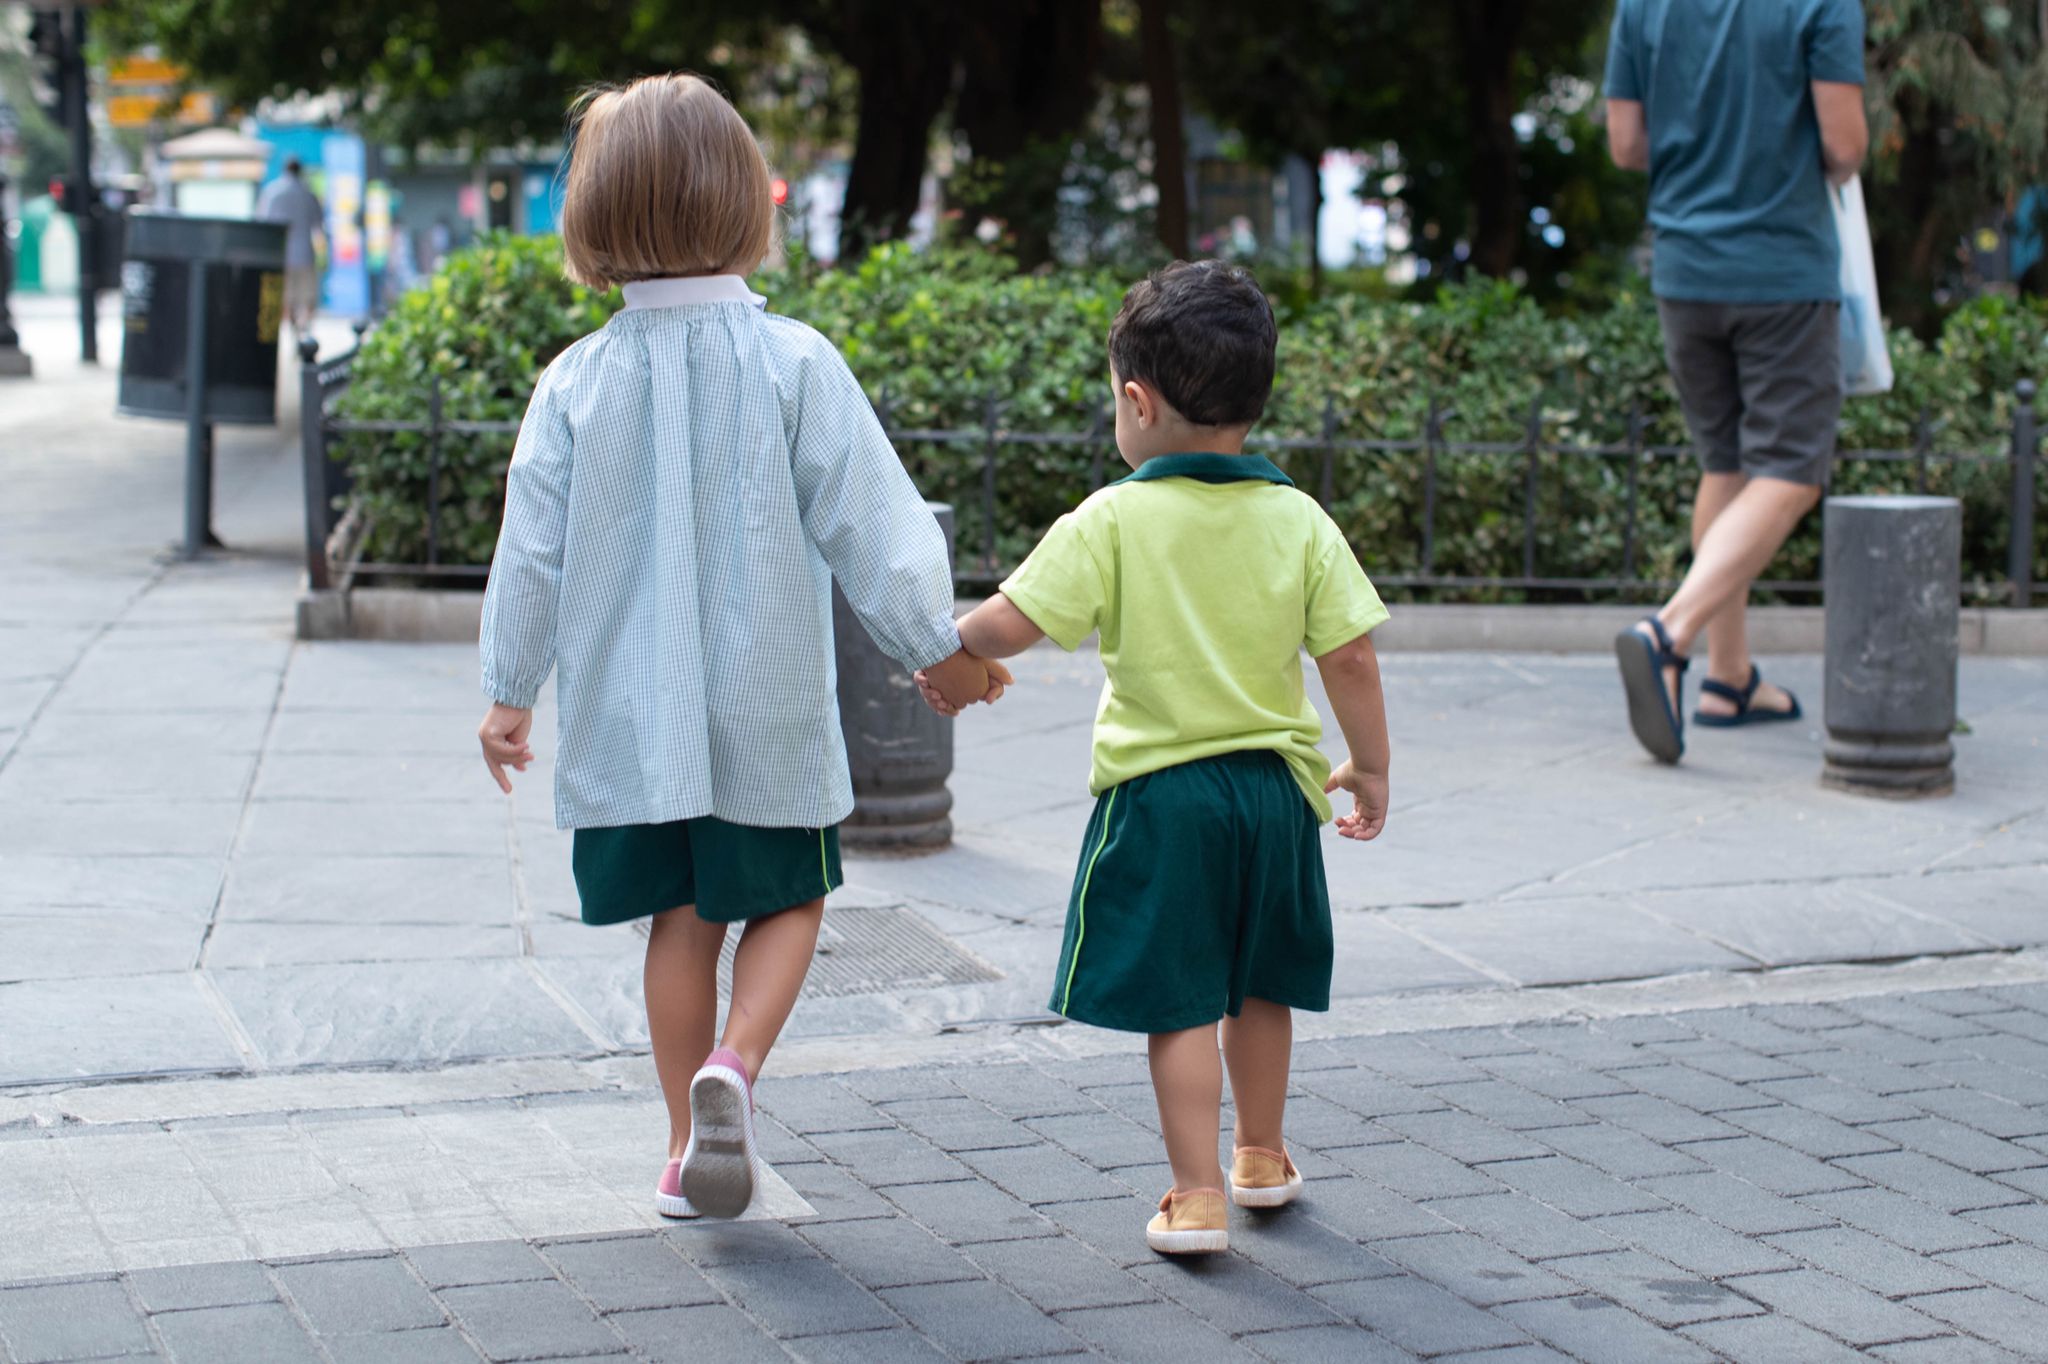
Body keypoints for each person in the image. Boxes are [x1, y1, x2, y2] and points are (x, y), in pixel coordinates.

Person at [474, 73, 1005, 1221]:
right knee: (790, 896)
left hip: (634, 714)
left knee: (678, 924)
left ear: (593, 213)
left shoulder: (573, 383)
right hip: (766, 703)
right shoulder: (792, 362)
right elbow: (873, 522)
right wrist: (940, 649)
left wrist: (508, 691)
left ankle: (683, 1148)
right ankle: (738, 1062)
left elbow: (530, 552)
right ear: (741, 200)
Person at [919, 261, 1392, 1255]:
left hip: (1163, 796)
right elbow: (1349, 655)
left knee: (1180, 1000)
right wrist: (1371, 765)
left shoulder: (1112, 518)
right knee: (1260, 983)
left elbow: (1008, 623)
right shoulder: (1300, 518)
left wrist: (954, 655)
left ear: (1137, 401)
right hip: (1276, 795)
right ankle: (1259, 1154)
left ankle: (1194, 1194)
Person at [1603, 0, 1867, 763]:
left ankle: (1729, 677)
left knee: (1726, 464)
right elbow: (1844, 144)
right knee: (1791, 470)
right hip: (1781, 267)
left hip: (1685, 271)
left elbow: (1626, 144)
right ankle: (1670, 633)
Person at [256, 157, 325, 335]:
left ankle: (289, 329)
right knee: (306, 296)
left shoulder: (271, 192)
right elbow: (318, 223)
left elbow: (262, 221)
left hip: (280, 254)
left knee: (286, 297)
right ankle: (303, 329)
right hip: (305, 254)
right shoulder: (308, 193)